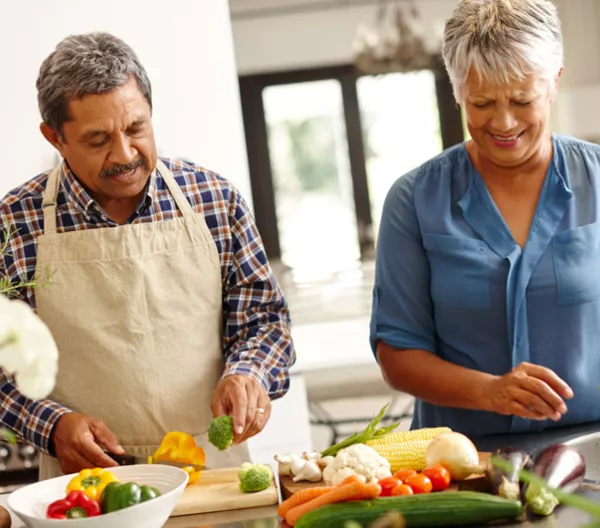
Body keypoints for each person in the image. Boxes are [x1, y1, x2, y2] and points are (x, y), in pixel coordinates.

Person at [0, 32, 295, 479]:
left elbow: (264, 323)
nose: (125, 155)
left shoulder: (214, 199)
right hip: (85, 483)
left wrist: (248, 373)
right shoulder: (13, 223)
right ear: (55, 137)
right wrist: (52, 425)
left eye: (136, 128)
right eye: (97, 140)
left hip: (210, 470)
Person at [370, 0, 600, 437]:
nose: (504, 122)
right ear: (457, 91)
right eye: (481, 103)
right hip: (461, 462)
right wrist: (490, 392)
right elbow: (398, 355)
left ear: (554, 82)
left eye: (521, 99)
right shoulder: (413, 201)